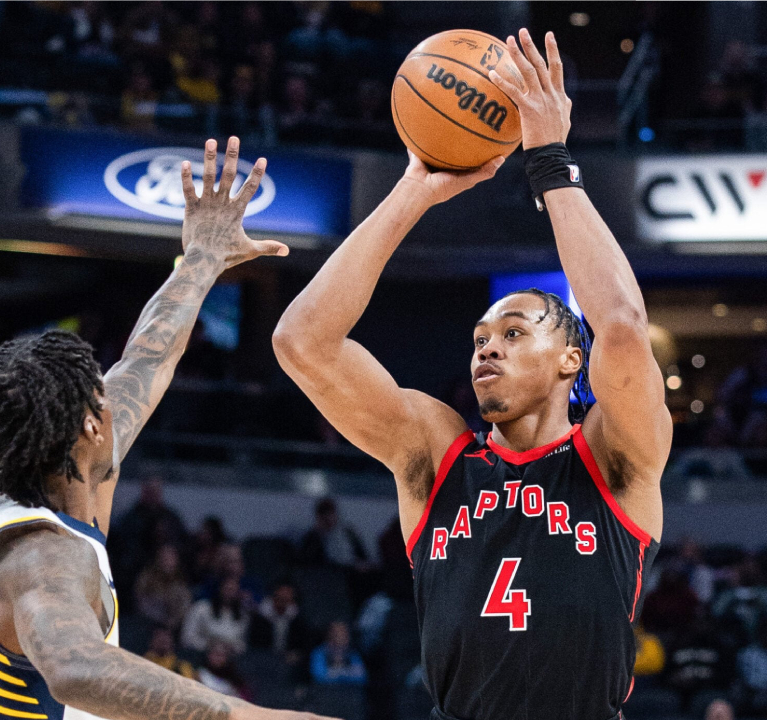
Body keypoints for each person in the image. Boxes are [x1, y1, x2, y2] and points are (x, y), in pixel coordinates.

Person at [273, 29, 669, 720]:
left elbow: (624, 328)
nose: (487, 348)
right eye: (481, 337)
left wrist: (550, 160)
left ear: (570, 360)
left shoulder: (612, 457)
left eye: (515, 333)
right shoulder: (436, 454)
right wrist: (411, 191)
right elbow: (302, 340)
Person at [0, 136, 327, 720]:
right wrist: (252, 717)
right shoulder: (41, 555)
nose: (114, 397)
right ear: (88, 426)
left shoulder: (58, 480)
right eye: (100, 396)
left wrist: (203, 258)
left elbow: (147, 359)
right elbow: (77, 670)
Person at [182, 577, 250, 655]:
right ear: (219, 589)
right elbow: (186, 638)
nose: (229, 594)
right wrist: (209, 645)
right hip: (200, 655)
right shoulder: (201, 608)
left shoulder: (243, 615)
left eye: (233, 590)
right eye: (227, 589)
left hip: (231, 659)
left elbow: (243, 644)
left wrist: (230, 648)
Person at [296, 498, 367, 570]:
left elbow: (362, 556)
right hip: (328, 574)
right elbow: (306, 560)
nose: (328, 520)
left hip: (351, 571)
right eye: (324, 518)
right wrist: (319, 536)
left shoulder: (348, 532)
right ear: (319, 518)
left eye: (330, 515)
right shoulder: (313, 537)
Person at [308, 622, 365, 687]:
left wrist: (336, 674)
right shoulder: (319, 652)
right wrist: (346, 673)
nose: (341, 637)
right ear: (329, 635)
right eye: (337, 634)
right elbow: (319, 676)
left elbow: (361, 677)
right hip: (325, 692)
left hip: (349, 693)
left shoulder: (353, 654)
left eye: (344, 634)